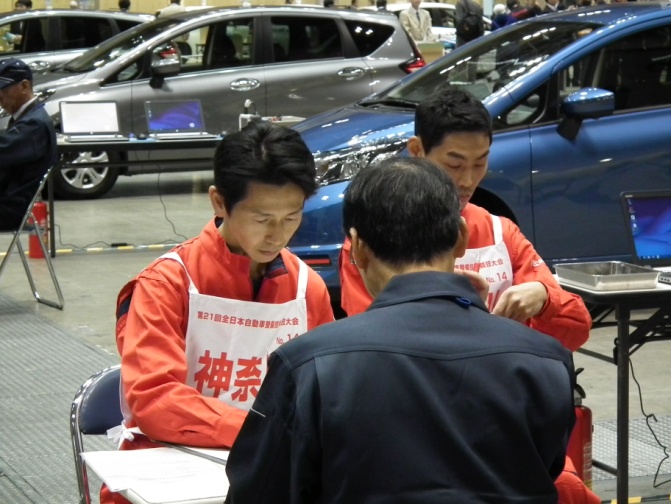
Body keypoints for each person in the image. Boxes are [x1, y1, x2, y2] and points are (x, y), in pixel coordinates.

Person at [225, 157, 576, 503]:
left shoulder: (307, 367)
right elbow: (545, 472)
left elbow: (258, 492)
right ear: (460, 238)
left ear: (358, 249)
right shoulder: (546, 363)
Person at [100, 121, 334, 504]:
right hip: (165, 471)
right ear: (219, 202)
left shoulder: (308, 288)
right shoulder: (168, 283)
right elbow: (156, 401)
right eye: (261, 219)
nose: (277, 235)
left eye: (291, 217)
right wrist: (265, 433)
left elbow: (324, 394)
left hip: (267, 471)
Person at [339, 85, 591, 352]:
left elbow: (576, 331)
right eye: (454, 165)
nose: (467, 181)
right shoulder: (373, 238)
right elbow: (369, 344)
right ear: (417, 150)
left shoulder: (501, 234)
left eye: (480, 163)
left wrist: (544, 298)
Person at [0, 58, 56, 232]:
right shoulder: (28, 118)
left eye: (2, 88)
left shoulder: (33, 125)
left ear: (24, 86)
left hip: (8, 209)